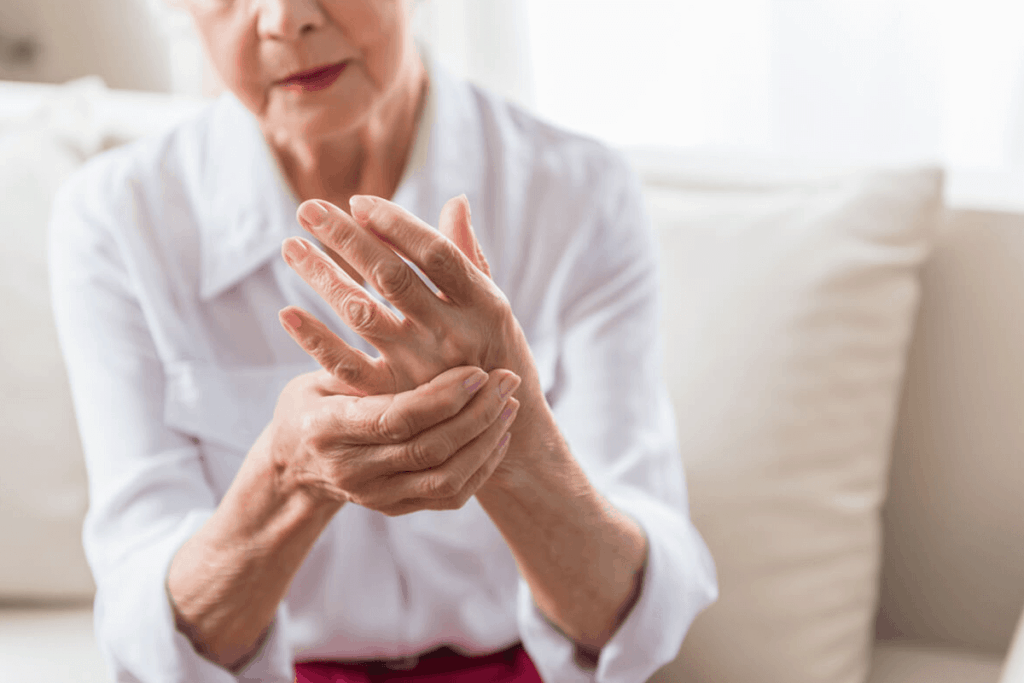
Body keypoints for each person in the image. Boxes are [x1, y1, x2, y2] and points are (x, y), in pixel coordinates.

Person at [47, 1, 717, 681]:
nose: (284, 19)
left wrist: (514, 436)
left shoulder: (577, 192)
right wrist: (284, 475)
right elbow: (145, 628)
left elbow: (635, 614)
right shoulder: (117, 220)